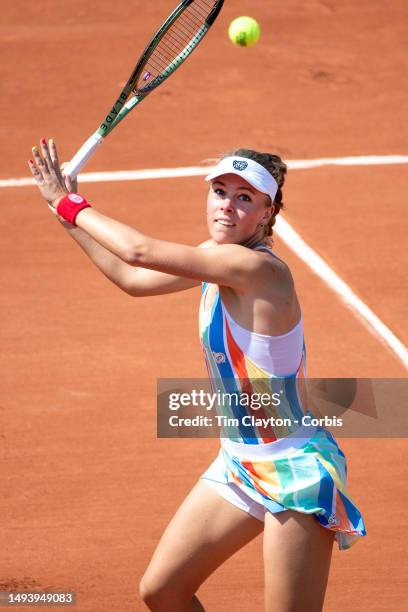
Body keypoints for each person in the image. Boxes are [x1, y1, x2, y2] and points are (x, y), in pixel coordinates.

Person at [29, 139, 366, 612]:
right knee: (162, 591)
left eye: (245, 197)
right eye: (220, 191)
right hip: (239, 462)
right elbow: (133, 280)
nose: (227, 205)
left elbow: (140, 252)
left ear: (267, 214)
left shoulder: (254, 268)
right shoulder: (216, 256)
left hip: (295, 469)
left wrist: (69, 200)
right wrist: (65, 216)